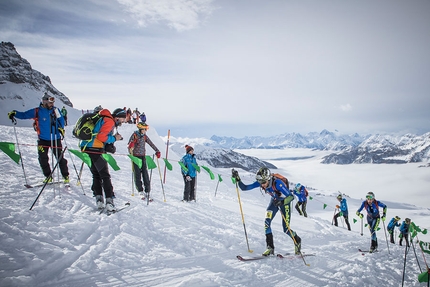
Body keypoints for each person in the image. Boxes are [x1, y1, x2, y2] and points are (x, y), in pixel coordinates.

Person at [232, 167, 302, 256]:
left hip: (285, 203)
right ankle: (270, 247)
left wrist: (282, 202)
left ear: (268, 179)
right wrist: (238, 179)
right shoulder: (262, 181)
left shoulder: (278, 184)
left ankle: (297, 240)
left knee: (286, 229)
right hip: (274, 201)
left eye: (264, 183)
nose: (262, 185)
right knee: (267, 222)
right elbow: (245, 188)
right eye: (261, 183)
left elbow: (291, 197)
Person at [8, 93, 69, 183]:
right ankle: (48, 176)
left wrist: (61, 128)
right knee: (42, 159)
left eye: (53, 103)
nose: (52, 105)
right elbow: (25, 115)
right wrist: (15, 113)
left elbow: (61, 121)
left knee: (60, 158)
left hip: (55, 138)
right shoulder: (37, 111)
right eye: (50, 103)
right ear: (44, 102)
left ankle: (65, 176)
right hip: (42, 139)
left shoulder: (56, 111)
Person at [80, 107, 126, 211]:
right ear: (118, 117)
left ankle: (99, 200)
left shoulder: (103, 119)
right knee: (105, 176)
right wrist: (115, 138)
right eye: (123, 119)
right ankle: (109, 202)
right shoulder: (109, 121)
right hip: (95, 149)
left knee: (96, 175)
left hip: (86, 148)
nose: (122, 122)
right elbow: (101, 137)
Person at [128, 122, 161, 199]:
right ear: (140, 129)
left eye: (146, 129)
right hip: (136, 157)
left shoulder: (144, 137)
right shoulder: (135, 135)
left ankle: (147, 191)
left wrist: (157, 151)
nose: (145, 131)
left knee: (145, 174)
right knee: (137, 174)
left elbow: (151, 143)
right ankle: (140, 190)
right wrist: (131, 146)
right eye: (144, 129)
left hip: (143, 157)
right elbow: (129, 146)